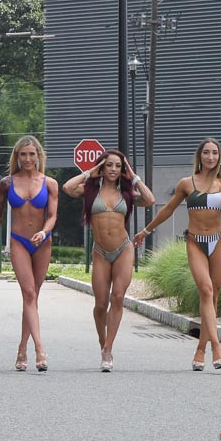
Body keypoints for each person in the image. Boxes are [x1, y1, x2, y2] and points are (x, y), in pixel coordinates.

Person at [134, 137, 221, 371]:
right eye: (206, 152)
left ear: (220, 157)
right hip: (195, 241)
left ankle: (200, 350)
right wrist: (145, 230)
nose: (211, 157)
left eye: (215, 153)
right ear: (199, 156)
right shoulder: (187, 183)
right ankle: (216, 347)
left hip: (218, 241)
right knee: (206, 290)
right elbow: (168, 209)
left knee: (212, 297)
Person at [62, 150, 155, 372]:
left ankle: (108, 349)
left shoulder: (127, 192)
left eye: (118, 166)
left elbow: (150, 199)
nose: (113, 169)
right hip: (101, 252)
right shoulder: (90, 191)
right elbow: (67, 187)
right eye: (109, 165)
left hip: (123, 249)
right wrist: (89, 173)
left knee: (118, 296)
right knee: (100, 304)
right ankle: (102, 342)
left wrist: (134, 176)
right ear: (102, 167)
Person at [0, 135, 59, 372]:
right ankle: (40, 350)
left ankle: (22, 349)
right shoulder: (7, 183)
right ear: (16, 156)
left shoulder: (49, 183)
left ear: (38, 156)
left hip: (42, 243)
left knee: (32, 297)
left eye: (31, 154)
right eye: (22, 154)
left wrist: (44, 232)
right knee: (29, 293)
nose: (27, 159)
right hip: (19, 241)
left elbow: (52, 216)